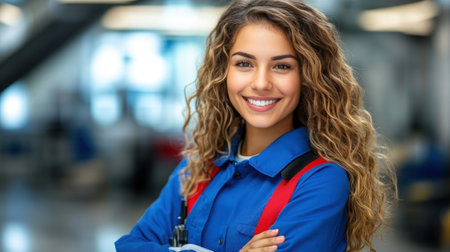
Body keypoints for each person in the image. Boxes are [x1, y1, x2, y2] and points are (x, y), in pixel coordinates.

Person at [115, 0, 396, 251]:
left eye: (282, 66)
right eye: (244, 64)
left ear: (308, 77)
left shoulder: (320, 181)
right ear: (223, 72)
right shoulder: (196, 168)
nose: (261, 83)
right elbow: (130, 245)